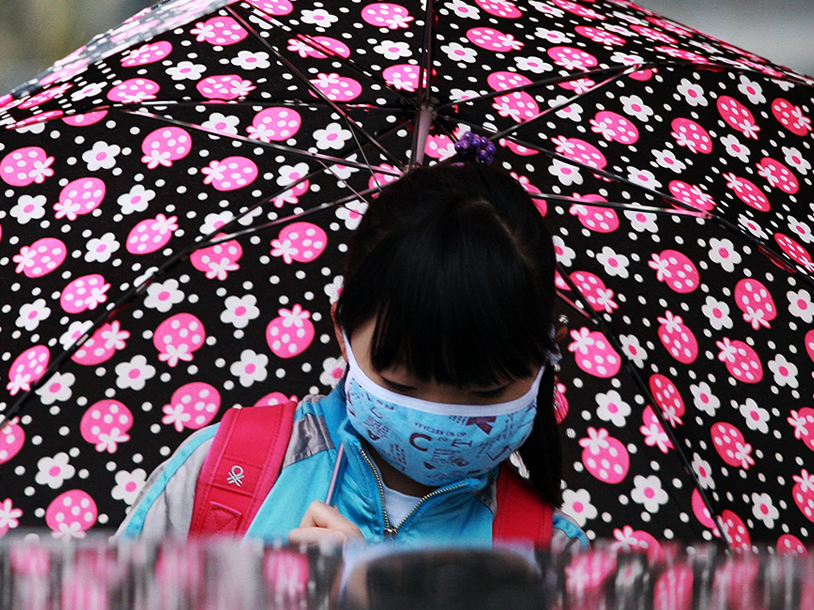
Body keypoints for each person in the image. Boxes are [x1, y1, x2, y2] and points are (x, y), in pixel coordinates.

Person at [114, 134, 587, 551]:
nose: (439, 416)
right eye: (403, 385)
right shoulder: (225, 476)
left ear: (548, 352)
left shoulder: (551, 562)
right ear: (343, 327)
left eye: (485, 393)